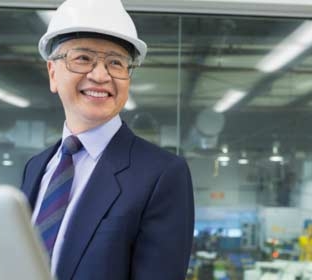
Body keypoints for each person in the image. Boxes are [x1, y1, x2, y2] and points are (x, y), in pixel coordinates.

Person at [20, 0, 195, 279]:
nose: (101, 75)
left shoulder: (161, 175)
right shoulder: (36, 167)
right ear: (53, 73)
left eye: (116, 62)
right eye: (83, 59)